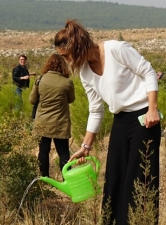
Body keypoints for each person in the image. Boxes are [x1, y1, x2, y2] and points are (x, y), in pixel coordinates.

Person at [54, 20, 160, 225]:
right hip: (120, 121)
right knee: (114, 179)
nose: (66, 61)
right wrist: (85, 146)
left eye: (66, 55)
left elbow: (148, 72)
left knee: (140, 180)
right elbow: (95, 109)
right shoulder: (85, 71)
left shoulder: (115, 49)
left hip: (145, 118)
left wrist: (153, 108)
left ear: (76, 46)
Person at [30, 54, 75, 176]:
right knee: (63, 152)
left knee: (43, 151)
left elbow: (32, 100)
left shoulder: (40, 80)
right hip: (60, 123)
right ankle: (68, 179)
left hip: (43, 123)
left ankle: (44, 179)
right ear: (63, 66)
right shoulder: (67, 82)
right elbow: (71, 99)